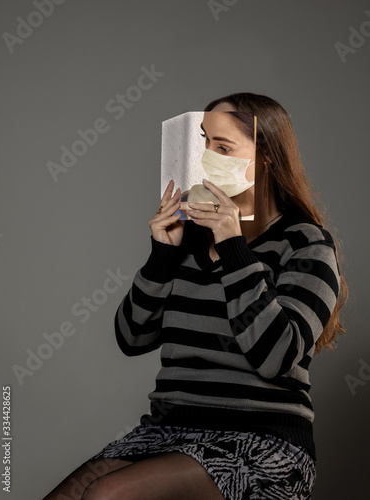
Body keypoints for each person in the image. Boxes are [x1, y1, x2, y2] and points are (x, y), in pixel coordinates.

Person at [42, 93, 348, 500]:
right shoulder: (188, 239)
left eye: (222, 147)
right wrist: (162, 255)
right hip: (167, 434)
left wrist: (235, 247)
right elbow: (131, 338)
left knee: (108, 495)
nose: (205, 158)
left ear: (266, 158)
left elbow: (274, 357)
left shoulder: (306, 244)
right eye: (202, 142)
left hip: (261, 442)